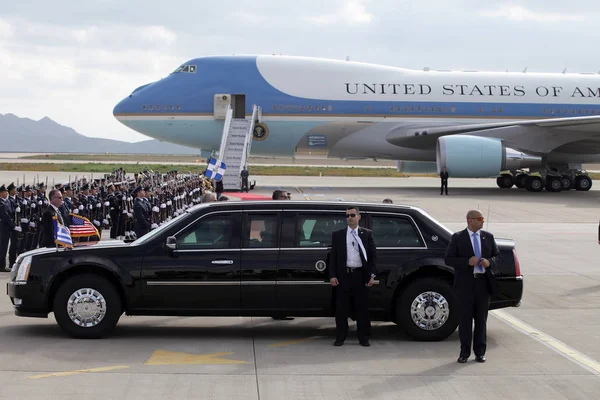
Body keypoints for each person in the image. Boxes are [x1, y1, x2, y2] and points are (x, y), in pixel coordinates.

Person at [444, 209, 500, 363]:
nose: (482, 221)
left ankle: (480, 352)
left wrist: (490, 262)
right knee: (465, 320)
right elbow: (448, 259)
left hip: (483, 284)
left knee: (481, 320)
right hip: (466, 285)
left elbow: (497, 256)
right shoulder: (458, 238)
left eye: (482, 218)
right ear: (470, 220)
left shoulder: (487, 237)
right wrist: (466, 262)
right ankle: (464, 353)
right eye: (479, 218)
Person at [328, 206, 377, 347]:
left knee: (362, 308)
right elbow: (333, 257)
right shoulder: (338, 235)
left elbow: (373, 257)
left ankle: (364, 338)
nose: (350, 218)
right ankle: (340, 337)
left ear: (358, 217)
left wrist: (371, 275)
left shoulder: (366, 234)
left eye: (352, 215)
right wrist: (332, 275)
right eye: (347, 215)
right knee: (341, 309)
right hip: (344, 276)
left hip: (360, 276)